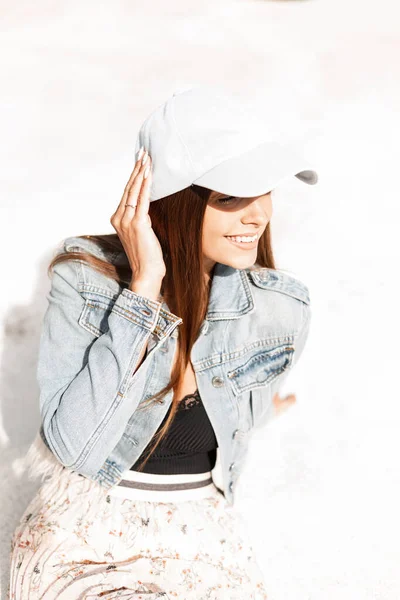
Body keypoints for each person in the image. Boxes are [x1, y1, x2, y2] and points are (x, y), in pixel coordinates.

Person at [7, 85, 318, 599]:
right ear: (174, 201)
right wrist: (144, 292)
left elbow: (239, 410)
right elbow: (74, 448)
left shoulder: (281, 310)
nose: (258, 215)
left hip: (202, 542)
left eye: (266, 190)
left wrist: (266, 410)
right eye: (230, 196)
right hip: (85, 530)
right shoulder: (86, 282)